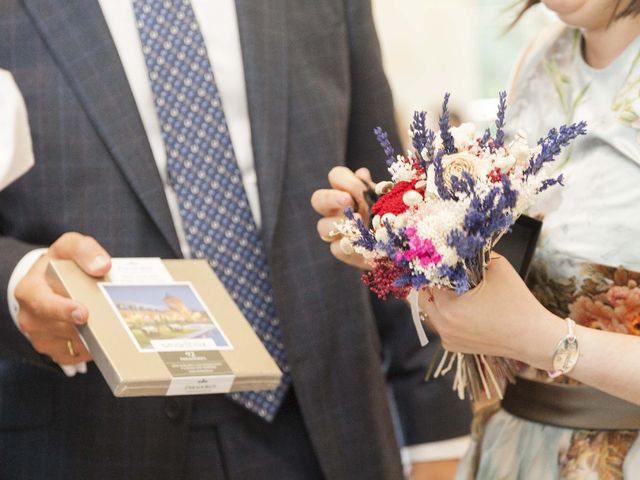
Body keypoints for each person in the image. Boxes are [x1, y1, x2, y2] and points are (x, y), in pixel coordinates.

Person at [0, 1, 471, 479]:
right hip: (87, 428)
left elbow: (388, 206)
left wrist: (435, 434)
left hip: (324, 428)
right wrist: (16, 280)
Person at [314, 0, 640, 478]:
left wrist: (544, 339)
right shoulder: (543, 59)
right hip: (514, 447)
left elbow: (526, 326)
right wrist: (397, 241)